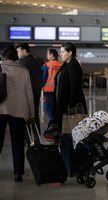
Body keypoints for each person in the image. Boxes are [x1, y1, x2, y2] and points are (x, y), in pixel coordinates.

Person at [0, 45, 34, 182]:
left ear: (4, 56)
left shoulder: (1, 67)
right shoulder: (24, 71)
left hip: (1, 109)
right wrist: (32, 114)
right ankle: (18, 173)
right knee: (18, 142)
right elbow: (29, 94)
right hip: (19, 110)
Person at [52, 42, 88, 175]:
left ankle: (74, 167)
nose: (60, 54)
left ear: (70, 53)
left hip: (71, 110)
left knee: (71, 138)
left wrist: (70, 108)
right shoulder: (67, 65)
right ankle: (69, 166)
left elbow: (75, 90)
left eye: (62, 52)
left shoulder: (74, 66)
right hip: (64, 108)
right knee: (67, 138)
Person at [16, 43, 42, 134]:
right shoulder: (37, 61)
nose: (17, 54)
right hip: (36, 92)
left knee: (25, 115)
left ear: (24, 51)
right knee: (35, 114)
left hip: (26, 93)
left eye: (18, 51)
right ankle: (37, 137)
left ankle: (27, 139)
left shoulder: (22, 63)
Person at [42, 49, 62, 121]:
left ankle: (52, 124)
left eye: (48, 54)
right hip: (59, 90)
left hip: (48, 90)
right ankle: (58, 124)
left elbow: (43, 78)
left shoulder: (47, 65)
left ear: (52, 55)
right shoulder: (61, 65)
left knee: (49, 108)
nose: (47, 56)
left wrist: (41, 86)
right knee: (57, 108)